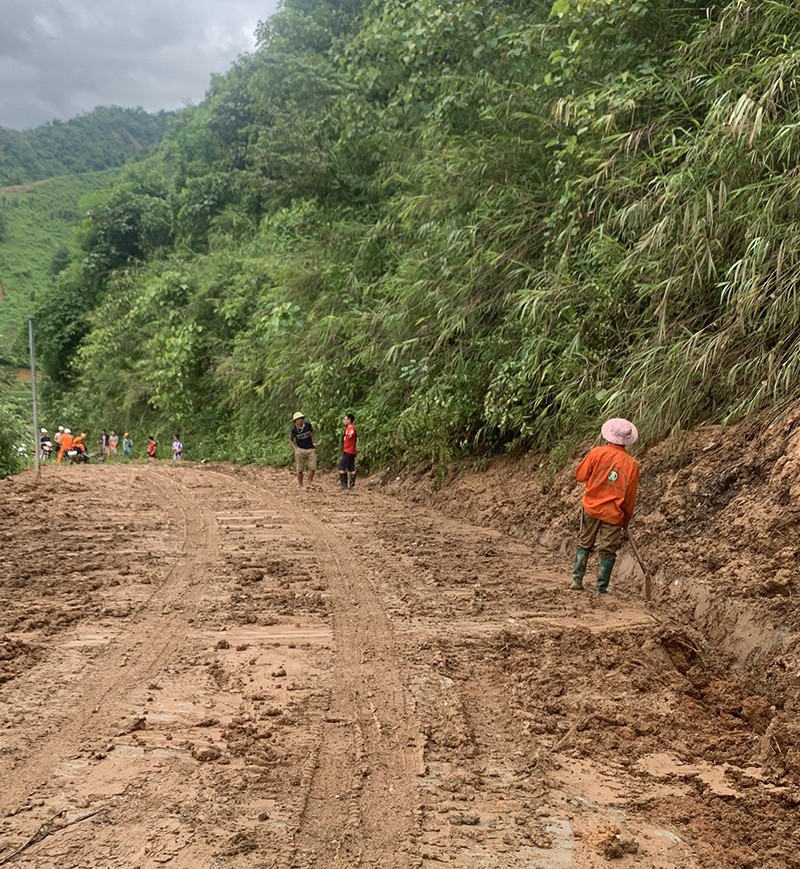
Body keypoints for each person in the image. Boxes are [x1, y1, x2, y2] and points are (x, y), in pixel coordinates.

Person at [571, 417, 640, 595]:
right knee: (608, 551)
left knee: (585, 542)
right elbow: (630, 496)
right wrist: (626, 516)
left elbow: (580, 475)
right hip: (613, 513)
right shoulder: (632, 464)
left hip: (591, 507)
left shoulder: (596, 453)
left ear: (608, 436)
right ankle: (601, 588)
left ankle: (577, 580)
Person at [289, 412, 316, 488]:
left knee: (312, 467)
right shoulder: (294, 430)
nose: (299, 421)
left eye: (300, 419)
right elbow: (290, 440)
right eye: (297, 419)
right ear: (295, 421)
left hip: (310, 449)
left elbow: (312, 432)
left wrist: (313, 442)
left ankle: (309, 483)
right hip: (300, 449)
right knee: (300, 469)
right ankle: (301, 485)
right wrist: (295, 449)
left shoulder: (308, 425)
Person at [337, 413, 358, 491]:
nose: (343, 420)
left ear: (349, 420)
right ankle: (351, 485)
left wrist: (350, 434)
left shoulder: (350, 427)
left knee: (342, 467)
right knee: (351, 468)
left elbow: (352, 432)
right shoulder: (349, 428)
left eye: (345, 419)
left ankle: (344, 485)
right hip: (352, 451)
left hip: (348, 451)